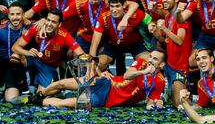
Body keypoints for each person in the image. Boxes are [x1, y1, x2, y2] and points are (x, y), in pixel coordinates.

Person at [14, 50, 167, 110]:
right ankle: (40, 94)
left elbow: (150, 103)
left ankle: (36, 101)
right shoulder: (142, 63)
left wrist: (156, 104)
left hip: (106, 98)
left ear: (161, 64)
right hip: (104, 82)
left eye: (155, 59)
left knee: (69, 103)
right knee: (61, 84)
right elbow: (127, 75)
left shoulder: (159, 81)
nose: (151, 60)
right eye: (151, 57)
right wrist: (146, 71)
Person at [12, 9, 84, 91]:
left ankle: (43, 82)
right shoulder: (37, 28)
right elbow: (15, 47)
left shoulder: (65, 35)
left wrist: (92, 66)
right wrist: (27, 52)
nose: (49, 24)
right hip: (34, 58)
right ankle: (23, 88)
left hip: (48, 66)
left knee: (42, 93)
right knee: (15, 57)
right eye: (48, 20)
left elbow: (81, 53)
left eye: (53, 22)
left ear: (59, 24)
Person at [149, 0, 192, 106]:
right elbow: (165, 41)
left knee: (179, 104)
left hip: (180, 67)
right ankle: (168, 91)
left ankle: (187, 93)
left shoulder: (182, 17)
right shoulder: (168, 16)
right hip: (169, 65)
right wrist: (155, 32)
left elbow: (179, 41)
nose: (164, 0)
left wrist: (163, 29)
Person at [89, 0, 149, 74]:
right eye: (112, 6)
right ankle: (109, 81)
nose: (114, 10)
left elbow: (150, 21)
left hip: (134, 44)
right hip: (113, 45)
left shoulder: (135, 14)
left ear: (124, 5)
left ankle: (140, 82)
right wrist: (91, 67)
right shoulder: (104, 17)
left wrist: (151, 24)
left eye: (117, 6)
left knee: (147, 60)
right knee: (99, 63)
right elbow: (94, 43)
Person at [0, 2, 32, 102]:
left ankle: (27, 89)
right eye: (12, 14)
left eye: (18, 14)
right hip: (3, 67)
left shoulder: (30, 29)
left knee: (12, 99)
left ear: (23, 15)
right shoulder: (1, 31)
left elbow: (45, 22)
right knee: (11, 99)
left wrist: (42, 21)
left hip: (22, 68)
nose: (15, 17)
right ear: (8, 15)